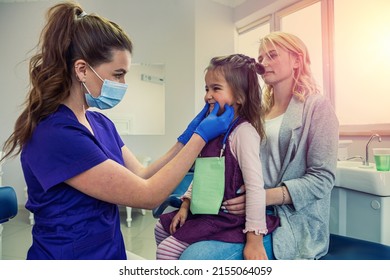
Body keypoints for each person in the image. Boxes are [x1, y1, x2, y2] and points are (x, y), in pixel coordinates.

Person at [0, 2, 234, 260]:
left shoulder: (101, 123)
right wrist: (201, 137)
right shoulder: (55, 134)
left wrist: (185, 138)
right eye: (118, 74)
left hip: (110, 252)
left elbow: (143, 175)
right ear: (81, 69)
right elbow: (148, 195)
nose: (123, 84)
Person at [179, 32, 339, 260]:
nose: (263, 63)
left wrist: (264, 197)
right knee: (172, 237)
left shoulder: (317, 107)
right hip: (243, 210)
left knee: (193, 259)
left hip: (287, 218)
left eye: (272, 55)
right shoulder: (258, 111)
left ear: (297, 60)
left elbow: (322, 179)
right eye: (261, 58)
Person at [154, 54, 280, 260]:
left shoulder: (244, 133)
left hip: (227, 219)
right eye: (206, 89)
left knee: (166, 250)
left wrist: (254, 240)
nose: (208, 96)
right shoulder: (215, 130)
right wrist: (185, 205)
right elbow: (203, 174)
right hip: (206, 212)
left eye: (216, 88)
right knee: (161, 228)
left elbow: (256, 188)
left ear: (239, 97)